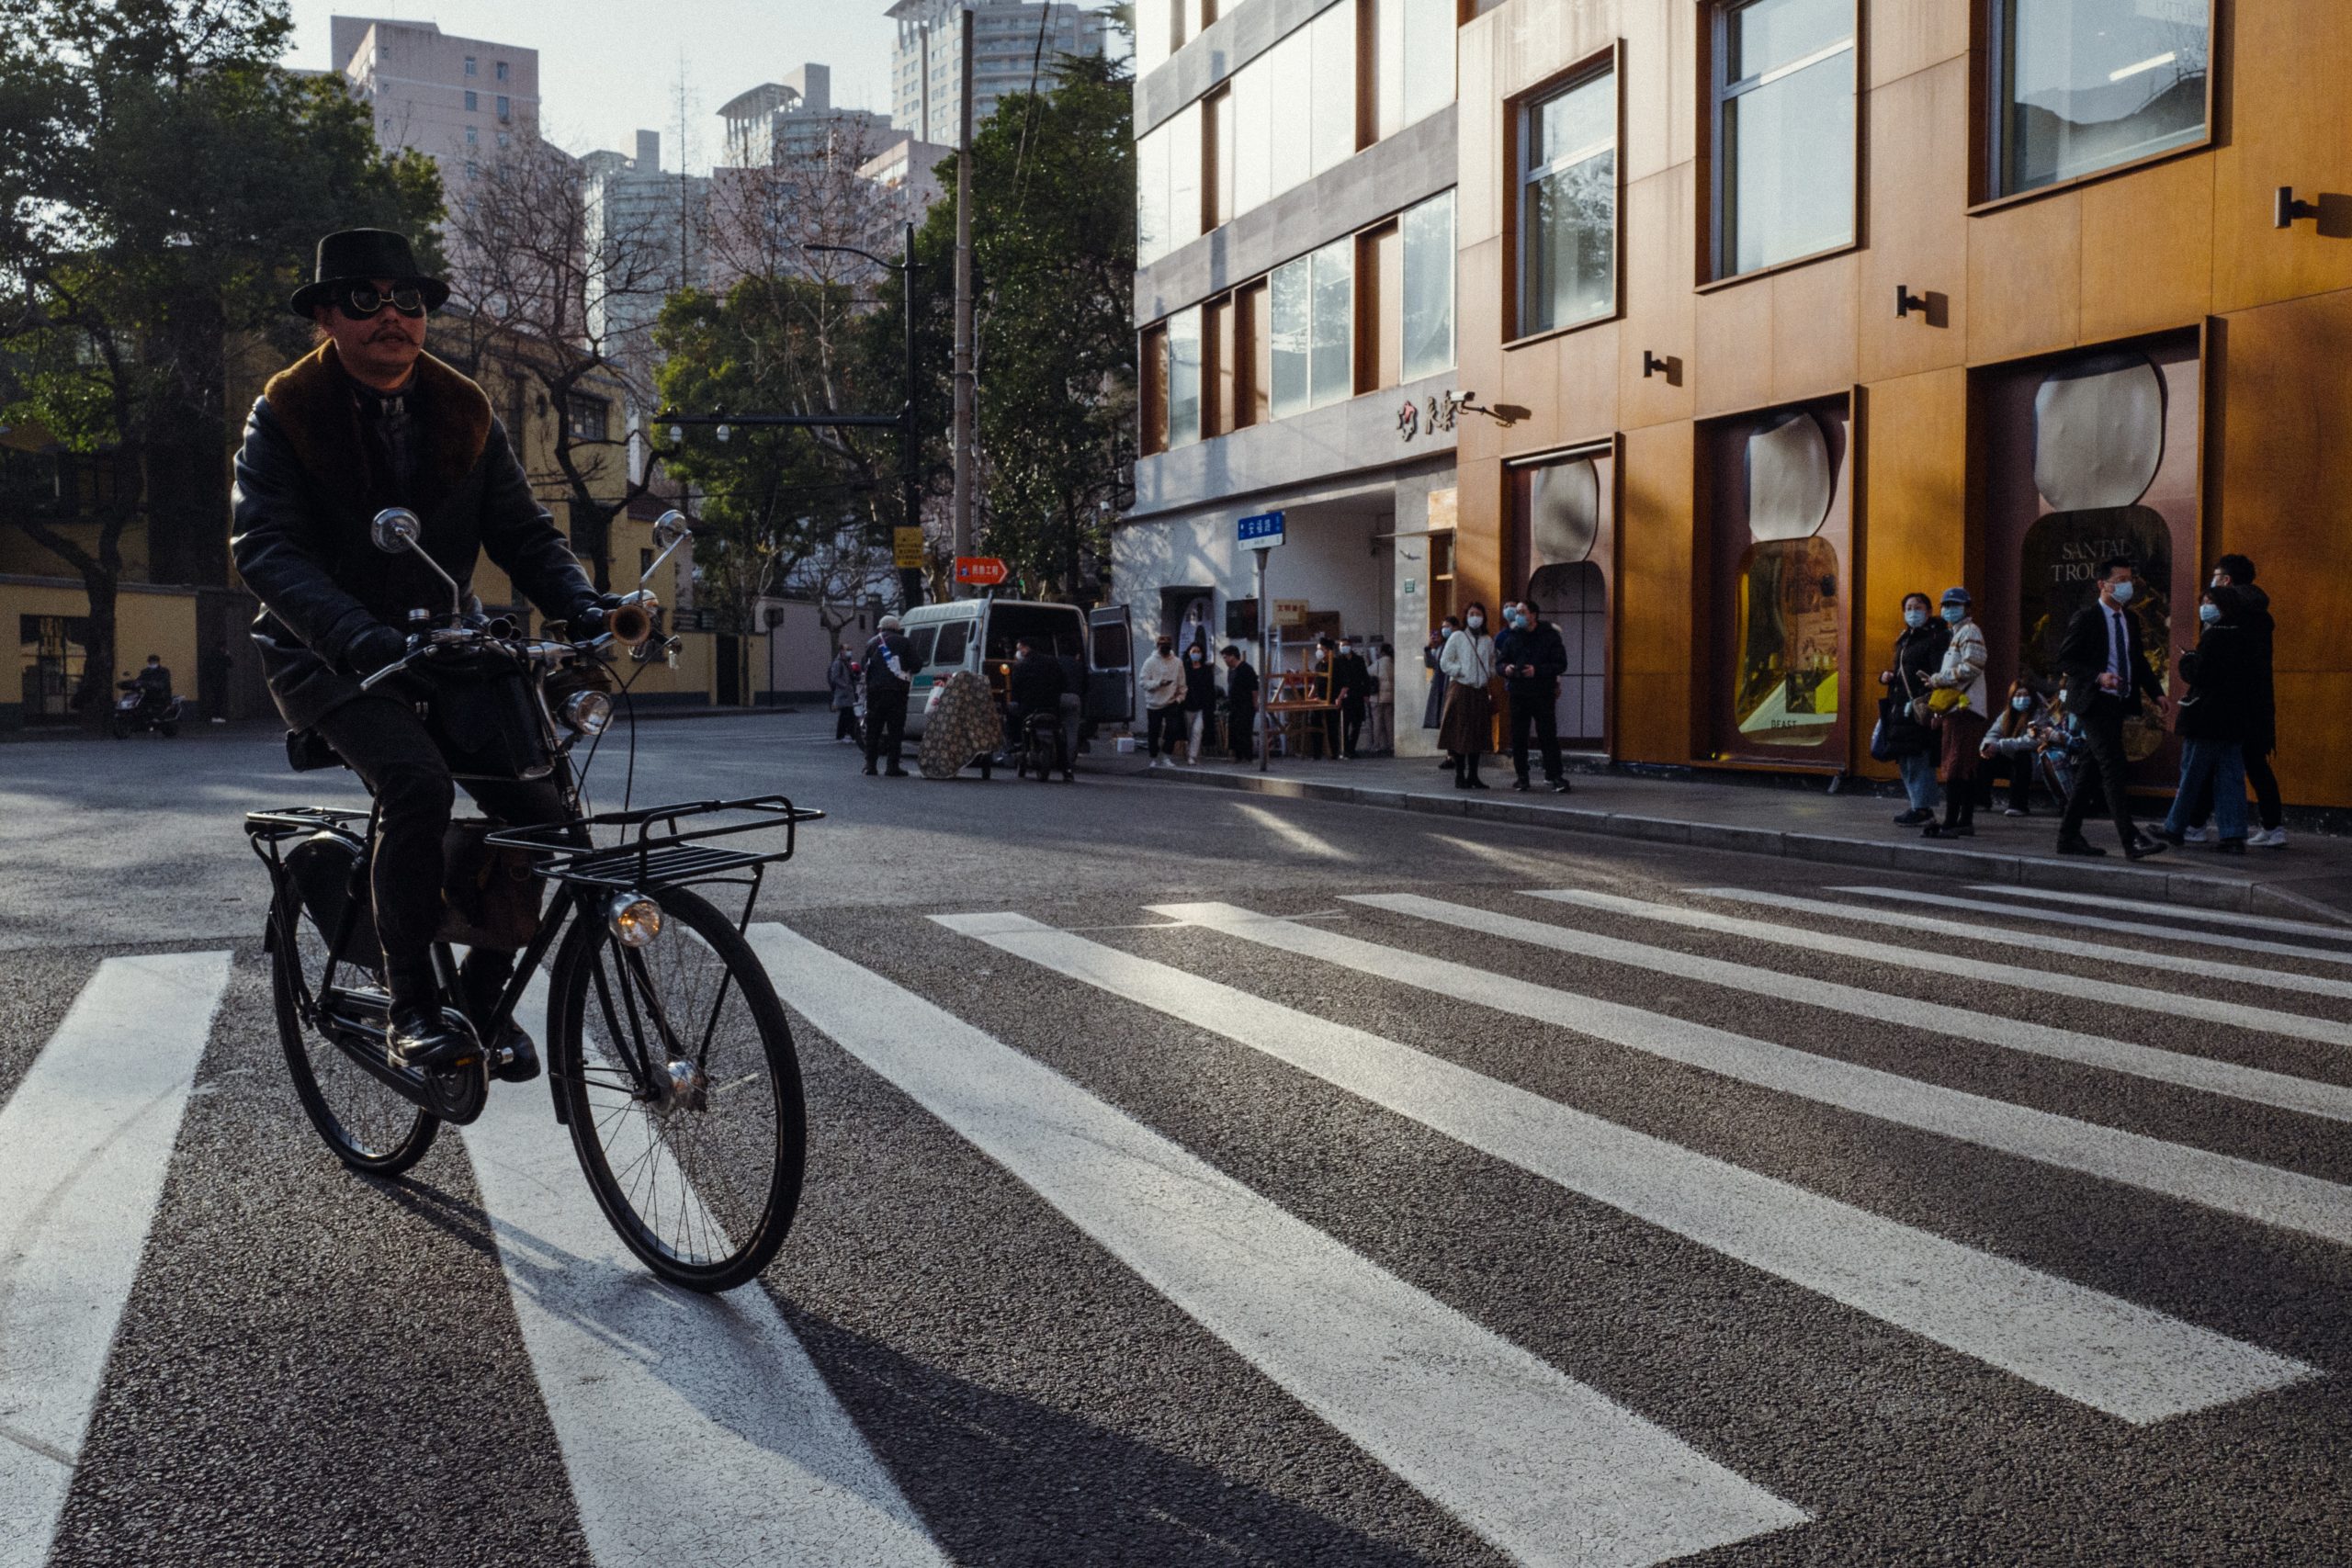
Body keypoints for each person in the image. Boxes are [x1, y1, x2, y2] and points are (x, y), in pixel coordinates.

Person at [232, 227, 624, 1073]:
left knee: (543, 814)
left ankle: (481, 994)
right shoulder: (285, 412)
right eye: (366, 300)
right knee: (418, 785)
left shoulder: (466, 408)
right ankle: (411, 1004)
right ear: (329, 315)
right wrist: (350, 632)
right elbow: (263, 548)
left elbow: (524, 535)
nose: (392, 318)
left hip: (445, 643)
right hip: (324, 653)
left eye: (408, 299)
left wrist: (586, 609)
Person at [2055, 556, 2170, 859]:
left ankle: (2067, 837)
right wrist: (2098, 676)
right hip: (2093, 703)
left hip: (2119, 702)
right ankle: (2131, 840)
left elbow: (2139, 660)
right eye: (2119, 582)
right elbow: (2065, 659)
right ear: (2102, 584)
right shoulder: (2087, 617)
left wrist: (2157, 693)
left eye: (2129, 581)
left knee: (2089, 773)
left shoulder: (2129, 619)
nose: (2126, 587)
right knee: (2113, 767)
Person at [2181, 554, 2285, 848]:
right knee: (2253, 762)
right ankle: (2272, 825)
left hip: (2228, 702)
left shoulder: (2229, 613)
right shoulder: (2259, 614)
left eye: (2215, 577)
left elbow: (2211, 664)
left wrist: (2191, 662)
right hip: (2256, 699)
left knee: (2211, 761)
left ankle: (2196, 824)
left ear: (2226, 580)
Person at [2151, 585, 2255, 854]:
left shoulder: (2214, 637)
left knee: (2192, 774)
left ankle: (2175, 827)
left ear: (2224, 607)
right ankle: (2233, 835)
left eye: (2211, 602)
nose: (2205, 607)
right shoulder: (2245, 636)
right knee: (2230, 777)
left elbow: (2200, 675)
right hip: (2233, 719)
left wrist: (2188, 660)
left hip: (2206, 718)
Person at [1921, 587, 1989, 838]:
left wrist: (1939, 678)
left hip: (1965, 708)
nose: (1949, 608)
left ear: (1967, 608)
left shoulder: (1970, 631)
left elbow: (1973, 665)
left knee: (1956, 764)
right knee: (1962, 765)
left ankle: (1952, 821)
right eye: (1945, 604)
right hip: (1958, 708)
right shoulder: (1955, 634)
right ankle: (1962, 820)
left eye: (1955, 604)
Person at [1879, 592, 1948, 826]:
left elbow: (1939, 674)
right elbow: (1902, 670)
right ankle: (1916, 804)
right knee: (1906, 759)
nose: (1913, 612)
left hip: (1920, 708)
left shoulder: (1936, 638)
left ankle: (1923, 808)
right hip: (1901, 709)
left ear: (1929, 612)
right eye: (1908, 607)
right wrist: (1887, 677)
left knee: (1920, 758)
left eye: (1918, 607)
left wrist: (1936, 706)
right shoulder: (1904, 639)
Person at [1494, 600, 1570, 794]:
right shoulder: (1513, 637)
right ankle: (1522, 777)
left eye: (1521, 612)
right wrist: (1507, 669)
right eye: (1517, 612)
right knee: (1518, 737)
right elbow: (1500, 662)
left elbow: (1560, 664)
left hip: (1542, 692)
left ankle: (1555, 776)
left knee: (1548, 736)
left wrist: (1537, 670)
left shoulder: (1549, 636)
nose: (1517, 615)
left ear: (1533, 615)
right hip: (1518, 693)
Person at [1437, 601, 1497, 790]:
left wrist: (1489, 673)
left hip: (1480, 691)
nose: (1475, 617)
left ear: (1484, 617)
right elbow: (1445, 662)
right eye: (1471, 613)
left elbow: (1493, 662)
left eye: (1478, 614)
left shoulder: (1488, 640)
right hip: (1461, 688)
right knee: (1460, 733)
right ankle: (1459, 775)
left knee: (1477, 734)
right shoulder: (1458, 637)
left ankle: (1474, 775)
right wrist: (1461, 670)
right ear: (1466, 616)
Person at [1977, 679, 2051, 817]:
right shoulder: (2007, 714)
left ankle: (2018, 805)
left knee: (2021, 756)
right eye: (2017, 695)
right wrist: (1987, 746)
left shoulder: (2040, 714)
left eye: (2025, 695)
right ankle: (1981, 800)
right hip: (2008, 759)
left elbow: (2033, 741)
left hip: (2032, 761)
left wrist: (1999, 745)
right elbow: (1992, 734)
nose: (2021, 699)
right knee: (1986, 757)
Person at [1008, 636, 1074, 781]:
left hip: (1029, 709)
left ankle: (1017, 744)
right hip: (1051, 707)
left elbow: (1016, 692)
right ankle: (1067, 770)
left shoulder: (1020, 666)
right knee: (1059, 735)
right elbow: (1064, 684)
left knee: (1011, 712)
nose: (1019, 651)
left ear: (1026, 648)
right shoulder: (1053, 662)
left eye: (1020, 648)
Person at [862, 614, 915, 777]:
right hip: (897, 692)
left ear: (880, 628)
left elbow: (865, 665)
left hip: (875, 693)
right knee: (895, 730)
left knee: (874, 730)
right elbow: (917, 664)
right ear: (897, 628)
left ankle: (870, 765)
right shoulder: (904, 642)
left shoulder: (871, 643)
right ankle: (892, 766)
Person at [1139, 632, 1187, 768]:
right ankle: (1153, 757)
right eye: (1162, 646)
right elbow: (1143, 682)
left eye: (1167, 646)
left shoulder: (1177, 662)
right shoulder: (1150, 662)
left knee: (1172, 729)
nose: (1164, 648)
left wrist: (1179, 698)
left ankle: (1167, 755)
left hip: (1171, 702)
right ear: (1158, 646)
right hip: (1154, 703)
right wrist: (1158, 683)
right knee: (1153, 731)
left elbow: (1182, 683)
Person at [1423, 618, 1456, 764]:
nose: (1444, 630)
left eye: (1447, 626)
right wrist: (1429, 649)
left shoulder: (1458, 643)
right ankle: (1450, 755)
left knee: (1452, 721)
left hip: (1452, 685)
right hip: (1441, 685)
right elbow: (1431, 664)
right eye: (1443, 627)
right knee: (1445, 721)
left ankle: (1455, 755)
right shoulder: (1442, 646)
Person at [1334, 636, 1373, 760]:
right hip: (1344, 696)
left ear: (1350, 647)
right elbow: (1336, 680)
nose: (1344, 648)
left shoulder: (1359, 660)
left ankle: (1351, 749)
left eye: (1346, 645)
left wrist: (1366, 694)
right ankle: (1345, 749)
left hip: (1357, 694)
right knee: (1344, 724)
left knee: (1357, 724)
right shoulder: (1337, 661)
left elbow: (1365, 678)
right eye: (1341, 646)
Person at [1220, 644, 1260, 761]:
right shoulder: (1231, 671)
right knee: (1234, 730)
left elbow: (1254, 688)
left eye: (1226, 657)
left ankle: (1247, 756)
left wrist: (1255, 703)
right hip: (1234, 705)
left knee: (1245, 730)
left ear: (1233, 656)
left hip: (1245, 705)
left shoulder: (1246, 669)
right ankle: (1237, 755)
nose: (1225, 660)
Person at [1182, 641, 1218, 762]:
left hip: (1202, 707)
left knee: (1197, 731)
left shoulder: (1206, 670)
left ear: (1202, 654)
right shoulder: (1184, 668)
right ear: (1189, 653)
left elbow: (1210, 689)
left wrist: (1211, 706)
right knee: (1188, 731)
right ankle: (1187, 752)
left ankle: (1192, 756)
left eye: (1198, 652)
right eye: (1193, 651)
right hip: (1187, 705)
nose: (1196, 654)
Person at [826, 639, 862, 744]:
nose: (849, 652)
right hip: (843, 693)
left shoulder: (847, 662)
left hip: (848, 693)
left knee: (849, 715)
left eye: (850, 650)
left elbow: (851, 676)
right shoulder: (838, 663)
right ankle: (843, 735)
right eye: (847, 650)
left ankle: (849, 735)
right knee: (846, 714)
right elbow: (835, 677)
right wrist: (845, 686)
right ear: (841, 651)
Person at [1369, 640, 1396, 755]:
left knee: (1377, 722)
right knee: (1389, 722)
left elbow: (1368, 672)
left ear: (1382, 652)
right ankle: (1391, 744)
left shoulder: (1378, 663)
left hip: (1378, 697)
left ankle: (1376, 745)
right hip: (1390, 697)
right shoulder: (1394, 664)